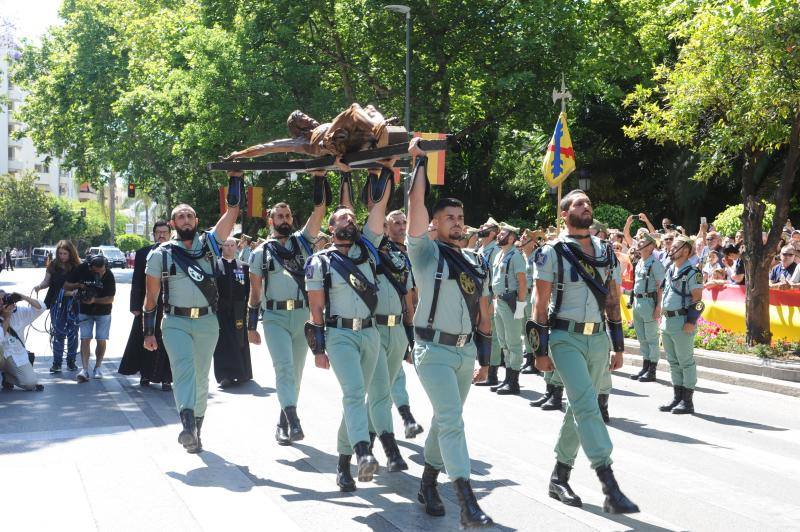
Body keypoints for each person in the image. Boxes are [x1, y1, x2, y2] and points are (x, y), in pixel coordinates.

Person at [529, 188, 639, 514]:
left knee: (579, 408)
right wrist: (540, 350)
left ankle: (559, 476)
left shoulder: (606, 251)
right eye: (578, 203)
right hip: (565, 338)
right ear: (564, 214)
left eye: (588, 202)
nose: (585, 206)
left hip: (597, 339)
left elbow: (612, 298)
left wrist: (618, 345)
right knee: (588, 406)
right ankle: (609, 484)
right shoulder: (551, 252)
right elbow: (539, 304)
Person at [404, 138, 494, 527]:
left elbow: (485, 314)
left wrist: (486, 360)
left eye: (461, 217)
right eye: (450, 218)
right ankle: (467, 503)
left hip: (465, 352)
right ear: (435, 224)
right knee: (453, 420)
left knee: (444, 420)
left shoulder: (475, 261)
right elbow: (415, 208)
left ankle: (427, 483)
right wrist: (419, 163)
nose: (458, 221)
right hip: (433, 351)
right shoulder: (426, 252)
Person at [142, 171, 242, 453]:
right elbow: (152, 297)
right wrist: (148, 331)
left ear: (196, 222)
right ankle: (186, 423)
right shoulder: (161, 254)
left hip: (208, 321)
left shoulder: (210, 244)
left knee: (201, 377)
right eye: (181, 216)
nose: (186, 219)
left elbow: (231, 213)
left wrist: (235, 179)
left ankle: (196, 427)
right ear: (173, 223)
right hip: (175, 322)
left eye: (190, 216)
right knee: (184, 371)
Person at [304, 167, 389, 492]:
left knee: (358, 399)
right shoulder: (319, 262)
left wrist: (385, 171)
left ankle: (342, 465)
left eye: (352, 219)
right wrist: (319, 348)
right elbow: (315, 309)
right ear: (331, 227)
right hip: (340, 335)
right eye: (343, 219)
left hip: (370, 333)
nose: (350, 222)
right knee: (353, 394)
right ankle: (363, 453)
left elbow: (379, 209)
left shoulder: (368, 249)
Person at [247, 174, 327, 446]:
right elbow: (255, 292)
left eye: (287, 215)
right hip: (275, 317)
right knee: (284, 368)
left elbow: (320, 211)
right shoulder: (261, 253)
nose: (283, 219)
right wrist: (250, 326)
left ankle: (283, 422)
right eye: (278, 216)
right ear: (270, 221)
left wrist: (318, 177)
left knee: (296, 372)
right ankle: (294, 420)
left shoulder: (303, 243)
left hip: (302, 317)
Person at [382, 209, 424, 439]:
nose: (401, 226)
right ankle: (405, 418)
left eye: (403, 222)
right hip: (386, 321)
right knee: (393, 373)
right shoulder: (381, 253)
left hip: (411, 319)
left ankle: (381, 423)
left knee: (390, 375)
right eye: (395, 223)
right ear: (386, 227)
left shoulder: (414, 252)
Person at [119, 222, 173, 390]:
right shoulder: (143, 254)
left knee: (168, 343)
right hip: (148, 305)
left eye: (165, 232)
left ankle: (166, 378)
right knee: (145, 340)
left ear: (170, 234)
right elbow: (136, 282)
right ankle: (145, 375)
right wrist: (135, 306)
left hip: (170, 305)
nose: (161, 235)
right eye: (158, 232)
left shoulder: (177, 253)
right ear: (154, 234)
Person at [658, 235, 704, 415]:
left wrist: (691, 321)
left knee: (685, 361)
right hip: (668, 321)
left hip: (682, 321)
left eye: (675, 247)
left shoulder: (693, 272)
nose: (670, 249)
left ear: (685, 250)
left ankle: (687, 401)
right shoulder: (670, 269)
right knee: (673, 362)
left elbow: (698, 300)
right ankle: (677, 397)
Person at [489, 222, 527, 396]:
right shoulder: (499, 255)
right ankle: (507, 379)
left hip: (511, 303)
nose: (499, 235)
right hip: (499, 302)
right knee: (503, 342)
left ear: (511, 238)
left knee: (513, 343)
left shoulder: (515, 256)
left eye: (503, 234)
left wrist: (520, 306)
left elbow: (522, 282)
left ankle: (514, 382)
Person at [64, 254, 116, 382]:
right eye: (96, 271)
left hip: (103, 312)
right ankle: (85, 369)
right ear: (90, 267)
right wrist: (79, 286)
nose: (99, 273)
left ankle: (98, 367)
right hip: (84, 310)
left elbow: (110, 298)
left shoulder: (109, 275)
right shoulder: (82, 269)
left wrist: (94, 300)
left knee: (101, 339)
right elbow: (66, 286)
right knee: (85, 338)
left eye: (102, 271)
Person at [34, 240, 81, 373]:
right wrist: (39, 286)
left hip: (73, 304)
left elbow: (81, 284)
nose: (62, 256)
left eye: (65, 253)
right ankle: (57, 363)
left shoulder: (78, 266)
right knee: (58, 333)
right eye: (60, 253)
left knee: (73, 333)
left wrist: (74, 292)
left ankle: (71, 362)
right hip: (56, 303)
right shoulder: (53, 265)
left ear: (71, 253)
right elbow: (46, 281)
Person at [214, 238, 252, 387]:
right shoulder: (216, 266)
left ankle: (242, 373)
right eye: (226, 245)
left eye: (232, 245)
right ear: (222, 247)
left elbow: (248, 289)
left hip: (239, 309)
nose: (229, 248)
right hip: (221, 310)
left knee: (239, 340)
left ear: (236, 247)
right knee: (222, 342)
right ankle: (224, 375)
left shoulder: (244, 267)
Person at [627, 233, 665, 383]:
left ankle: (652, 370)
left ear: (650, 246)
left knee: (651, 338)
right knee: (642, 337)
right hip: (638, 302)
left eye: (642, 242)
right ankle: (645, 366)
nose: (638, 244)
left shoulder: (655, 264)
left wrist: (658, 307)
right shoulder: (641, 262)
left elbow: (661, 287)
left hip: (649, 302)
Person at [474, 216, 502, 387]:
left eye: (486, 226)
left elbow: (492, 278)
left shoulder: (494, 251)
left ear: (493, 233)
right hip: (478, 297)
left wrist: (491, 299)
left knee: (492, 335)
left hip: (488, 296)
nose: (482, 227)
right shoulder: (481, 248)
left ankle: (492, 373)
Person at [0, 291, 46, 391]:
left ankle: (7, 377)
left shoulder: (19, 312)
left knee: (30, 384)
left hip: (16, 355)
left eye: (4, 299)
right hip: (2, 355)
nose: (2, 302)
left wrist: (23, 297)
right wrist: (6, 318)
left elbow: (41, 307)